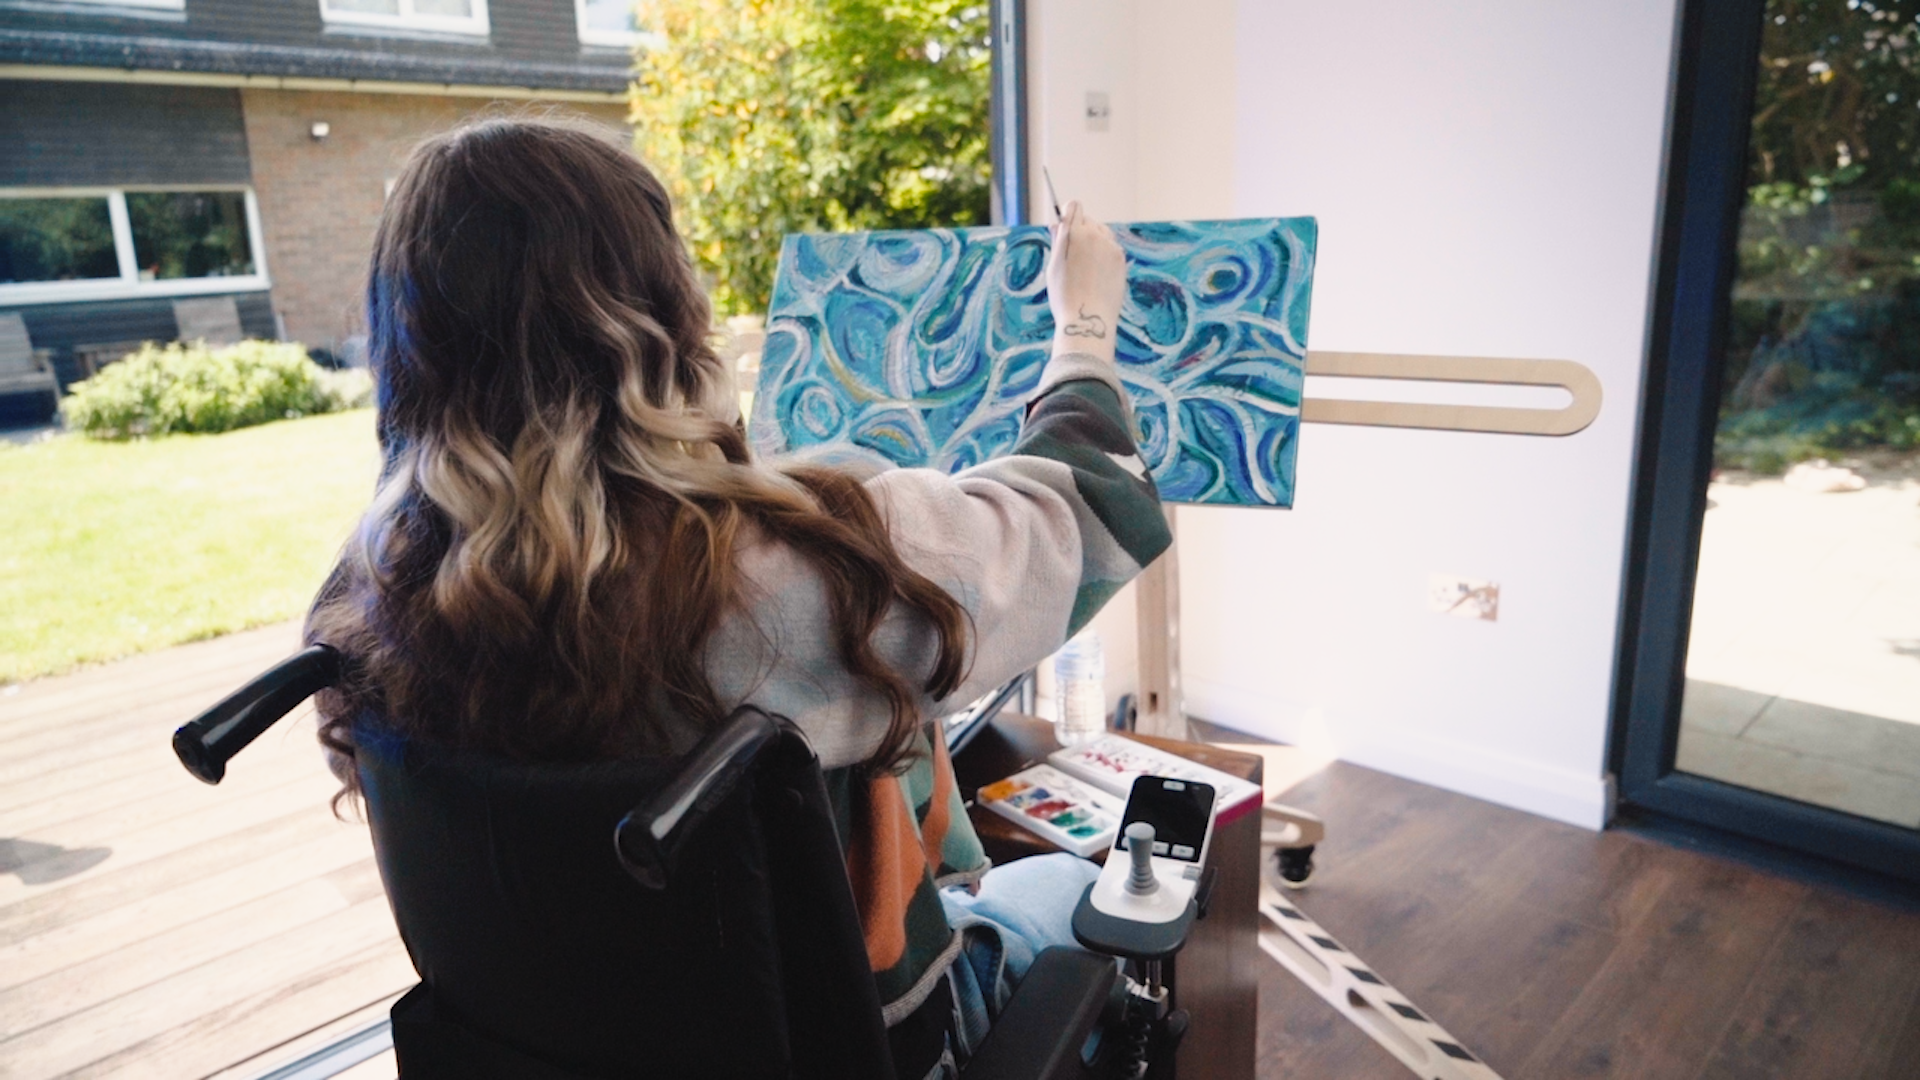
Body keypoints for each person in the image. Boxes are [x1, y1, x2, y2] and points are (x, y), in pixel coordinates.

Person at [306, 118, 1170, 1075]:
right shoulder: (801, 569)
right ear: (654, 312)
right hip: (860, 1048)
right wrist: (1084, 324)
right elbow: (1083, 508)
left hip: (572, 1051)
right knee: (1062, 882)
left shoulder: (368, 598)